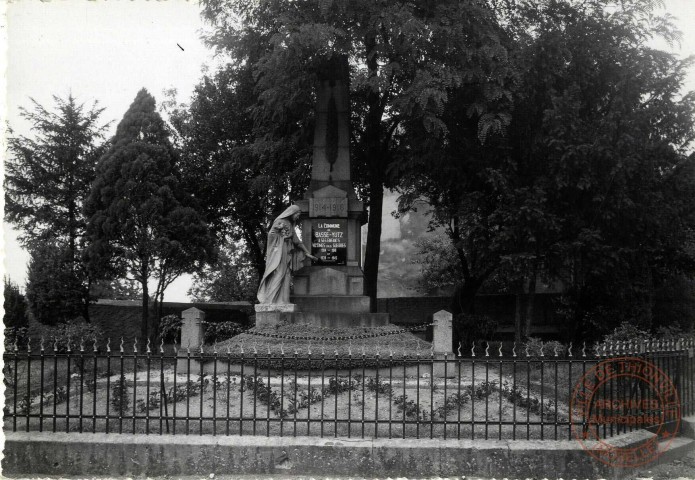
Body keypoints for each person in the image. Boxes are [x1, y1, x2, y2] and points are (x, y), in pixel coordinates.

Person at [257, 205, 317, 304]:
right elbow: (271, 235)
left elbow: (297, 241)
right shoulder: (279, 221)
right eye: (297, 214)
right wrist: (278, 232)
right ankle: (270, 300)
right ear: (292, 212)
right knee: (279, 274)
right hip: (279, 253)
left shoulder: (289, 223)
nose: (298, 217)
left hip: (287, 253)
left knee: (286, 276)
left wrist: (307, 253)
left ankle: (284, 300)